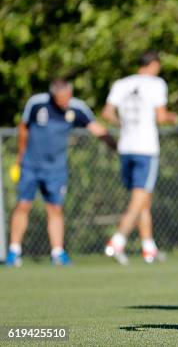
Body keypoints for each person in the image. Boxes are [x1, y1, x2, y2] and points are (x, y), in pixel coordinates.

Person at [6, 80, 115, 267]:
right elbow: (23, 128)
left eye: (67, 98)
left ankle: (58, 252)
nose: (64, 102)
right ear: (53, 96)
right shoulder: (37, 103)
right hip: (30, 165)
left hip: (55, 170)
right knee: (23, 205)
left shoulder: (78, 108)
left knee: (55, 208)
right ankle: (14, 252)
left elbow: (95, 128)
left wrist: (115, 145)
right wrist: (20, 158)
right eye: (60, 99)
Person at [103, 51, 178, 265]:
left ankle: (148, 248)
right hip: (145, 148)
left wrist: (124, 126)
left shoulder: (121, 84)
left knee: (143, 199)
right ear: (153, 65)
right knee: (139, 200)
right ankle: (117, 241)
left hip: (126, 146)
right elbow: (161, 117)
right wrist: (174, 118)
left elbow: (107, 113)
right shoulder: (156, 84)